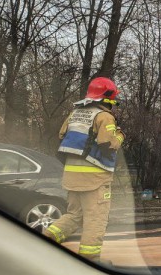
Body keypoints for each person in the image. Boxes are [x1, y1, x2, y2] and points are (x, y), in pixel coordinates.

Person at [44, 77, 125, 262]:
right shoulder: (105, 116)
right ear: (107, 99)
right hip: (94, 180)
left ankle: (45, 240)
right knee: (96, 219)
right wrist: (120, 136)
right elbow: (107, 143)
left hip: (72, 176)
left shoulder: (75, 113)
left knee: (74, 215)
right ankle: (91, 260)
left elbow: (62, 135)